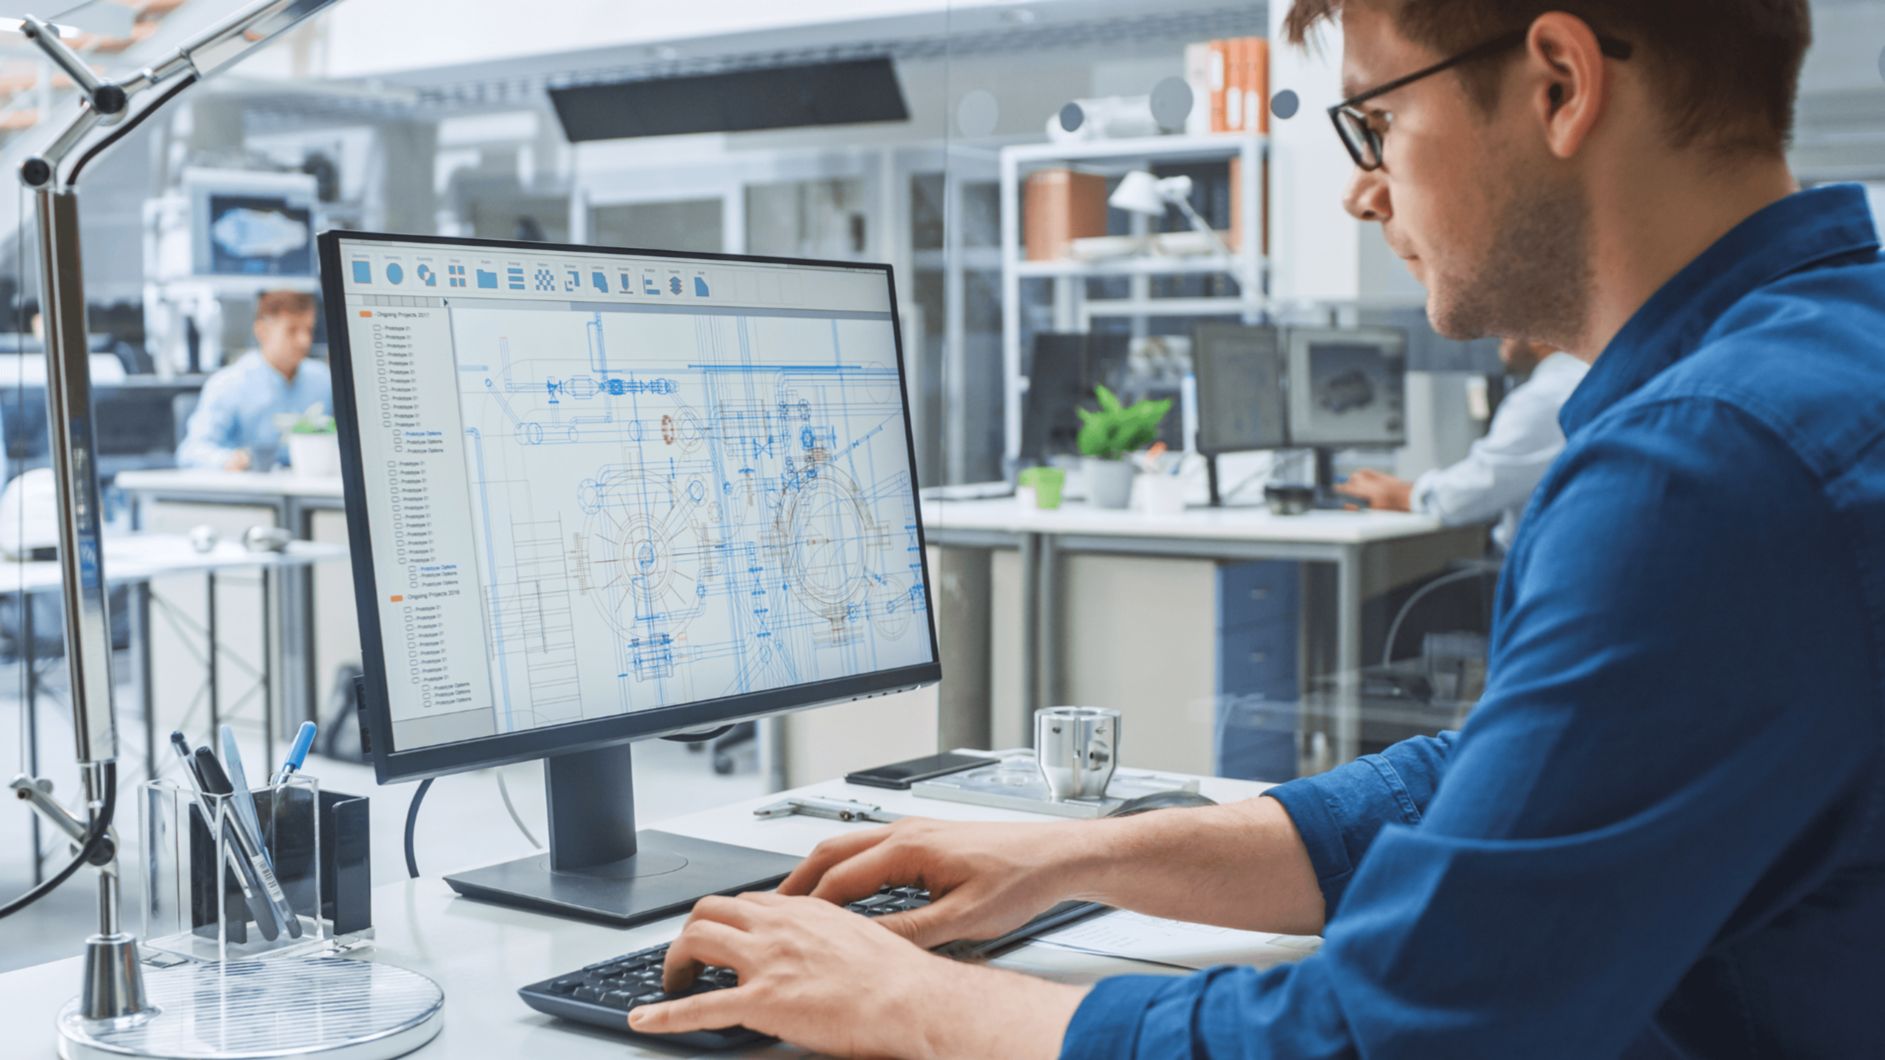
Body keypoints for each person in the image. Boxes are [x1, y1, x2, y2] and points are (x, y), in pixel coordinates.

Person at [631, 2, 1885, 1056]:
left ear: (1558, 83)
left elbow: (1393, 1034)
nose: (1360, 187)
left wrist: (918, 999)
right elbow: (1501, 788)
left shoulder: (1707, 469)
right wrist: (1070, 858)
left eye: (1379, 120)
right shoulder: (1825, 363)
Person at [1336, 337, 1587, 549]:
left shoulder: (1544, 397)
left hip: (1538, 570)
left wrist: (1403, 495)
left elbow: (1472, 493)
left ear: (1537, 334)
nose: (1498, 333)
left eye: (1510, 322)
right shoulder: (1582, 378)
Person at [176, 289, 329, 471]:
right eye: (292, 330)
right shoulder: (229, 384)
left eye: (309, 330)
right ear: (262, 330)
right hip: (251, 495)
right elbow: (191, 453)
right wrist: (229, 460)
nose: (304, 341)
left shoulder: (323, 380)